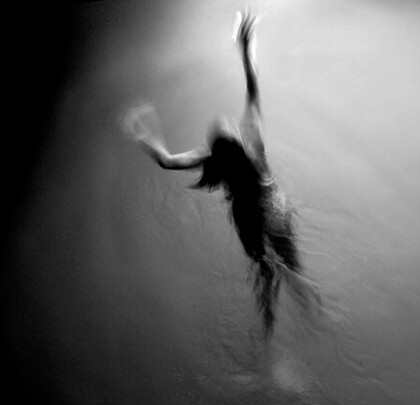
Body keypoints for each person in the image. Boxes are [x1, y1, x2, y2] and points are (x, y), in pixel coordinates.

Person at [123, 10, 316, 337]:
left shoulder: (210, 160)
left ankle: (268, 332)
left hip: (247, 215)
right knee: (292, 264)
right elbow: (253, 88)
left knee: (265, 271)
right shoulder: (252, 139)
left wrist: (144, 135)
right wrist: (246, 47)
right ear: (238, 141)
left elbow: (167, 160)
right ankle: (312, 310)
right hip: (272, 204)